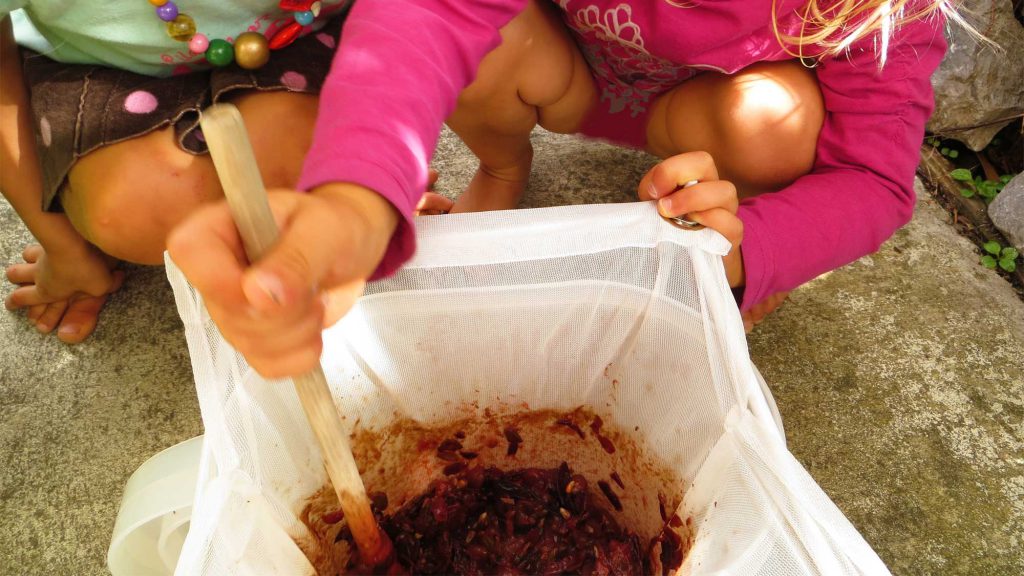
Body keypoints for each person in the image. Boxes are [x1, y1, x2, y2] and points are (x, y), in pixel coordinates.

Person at [168, 0, 951, 377]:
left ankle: (722, 229)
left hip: (709, 119)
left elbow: (874, 182)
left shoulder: (879, 12)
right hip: (570, 75)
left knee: (777, 121)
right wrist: (356, 198)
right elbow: (429, 11)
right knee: (487, 45)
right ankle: (505, 165)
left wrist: (761, 247)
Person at [0, 1, 419, 345]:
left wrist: (373, 171)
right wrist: (65, 246)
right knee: (137, 212)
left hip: (301, 26)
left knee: (297, 182)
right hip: (103, 59)